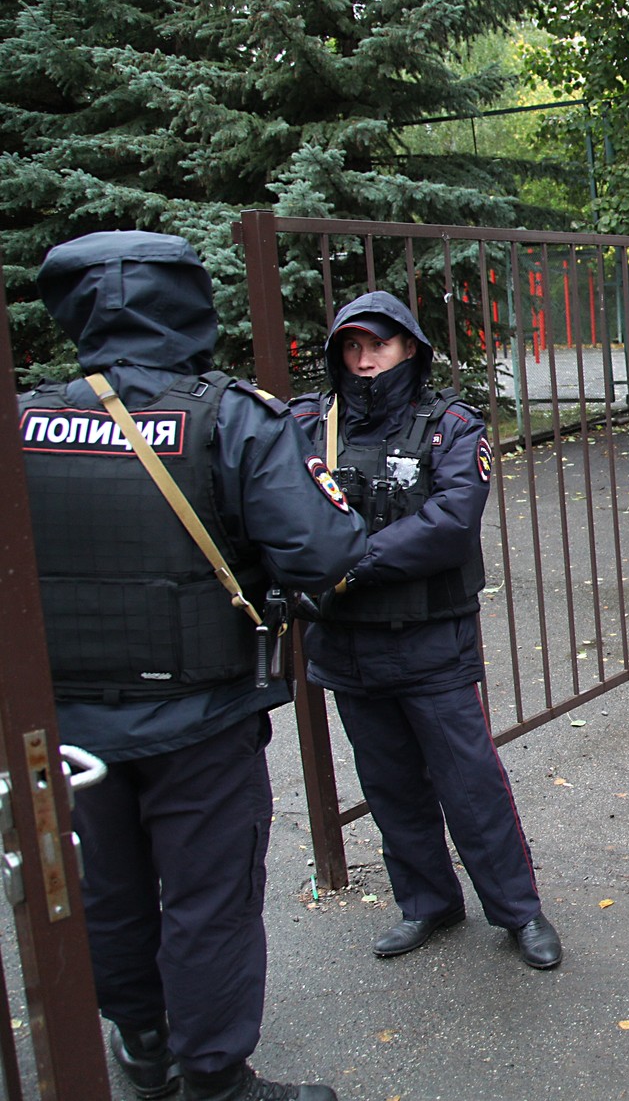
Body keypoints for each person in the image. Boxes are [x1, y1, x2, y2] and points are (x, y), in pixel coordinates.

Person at [21, 232, 366, 1101]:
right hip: (200, 715)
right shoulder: (230, 416)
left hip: (65, 729)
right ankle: (213, 1075)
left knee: (106, 882)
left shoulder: (23, 419)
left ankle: (142, 1044)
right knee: (207, 896)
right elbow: (322, 551)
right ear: (187, 304)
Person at [290, 291, 562, 968]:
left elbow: (449, 522)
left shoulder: (449, 424)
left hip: (431, 641)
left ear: (409, 347)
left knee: (470, 784)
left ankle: (517, 911)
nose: (364, 361)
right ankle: (427, 902)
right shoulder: (311, 423)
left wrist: (351, 563)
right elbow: (283, 505)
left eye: (378, 345)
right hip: (347, 644)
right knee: (389, 785)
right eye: (352, 348)